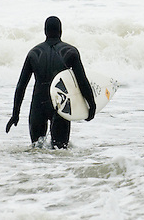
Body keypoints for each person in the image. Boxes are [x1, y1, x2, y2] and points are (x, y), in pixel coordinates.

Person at [8, 16, 96, 149]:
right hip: (60, 105)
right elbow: (82, 82)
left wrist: (15, 114)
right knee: (60, 150)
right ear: (61, 31)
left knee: (37, 150)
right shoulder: (70, 52)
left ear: (45, 31)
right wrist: (91, 105)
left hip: (38, 106)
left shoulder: (33, 53)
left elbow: (21, 86)